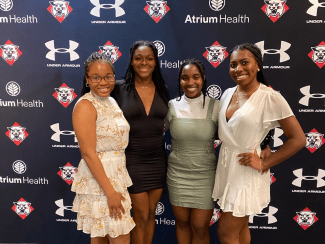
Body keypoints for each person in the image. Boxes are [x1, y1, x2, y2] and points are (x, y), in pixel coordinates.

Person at [165, 58, 272, 244]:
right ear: (179, 80)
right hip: (177, 175)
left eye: (196, 77)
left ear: (203, 79)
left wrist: (265, 145)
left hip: (205, 176)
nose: (190, 82)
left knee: (199, 226)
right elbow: (151, 129)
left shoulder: (217, 106)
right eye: (185, 78)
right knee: (182, 223)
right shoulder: (171, 106)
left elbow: (247, 123)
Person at [212, 43, 306, 244]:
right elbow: (252, 125)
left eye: (245, 63)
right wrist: (265, 143)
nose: (238, 69)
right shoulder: (227, 93)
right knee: (241, 227)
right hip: (227, 166)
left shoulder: (270, 97)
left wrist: (265, 163)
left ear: (258, 65)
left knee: (226, 233)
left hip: (246, 172)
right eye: (233, 64)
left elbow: (298, 139)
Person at [71, 52, 135, 244]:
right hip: (102, 181)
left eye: (108, 77)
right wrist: (110, 192)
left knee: (101, 236)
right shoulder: (85, 105)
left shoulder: (111, 101)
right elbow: (88, 153)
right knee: (120, 236)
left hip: (116, 175)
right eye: (96, 78)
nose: (103, 82)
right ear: (87, 79)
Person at [111, 40, 169, 244]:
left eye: (149, 58)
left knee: (151, 214)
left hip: (158, 160)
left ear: (155, 62)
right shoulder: (118, 88)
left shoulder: (162, 88)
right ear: (131, 62)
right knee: (141, 215)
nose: (144, 62)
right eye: (138, 58)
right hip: (132, 160)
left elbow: (165, 120)